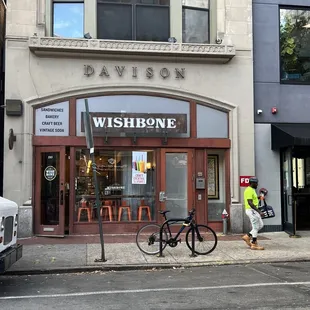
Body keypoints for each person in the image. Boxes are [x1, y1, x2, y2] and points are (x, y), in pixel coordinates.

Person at [242, 177, 265, 250]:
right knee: (255, 227)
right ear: (252, 183)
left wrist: (259, 197)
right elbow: (250, 203)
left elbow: (253, 199)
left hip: (254, 211)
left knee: (260, 225)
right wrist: (259, 211)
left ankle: (248, 236)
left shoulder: (252, 190)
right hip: (252, 210)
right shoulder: (249, 190)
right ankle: (254, 244)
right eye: (256, 183)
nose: (257, 184)